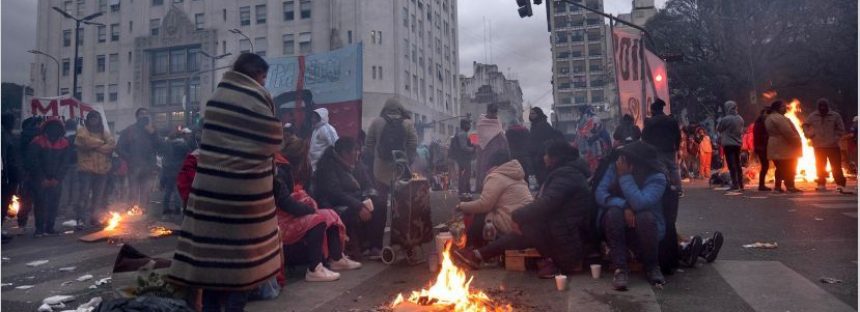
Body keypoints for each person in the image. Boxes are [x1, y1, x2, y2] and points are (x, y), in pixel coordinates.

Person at [168, 53, 283, 312]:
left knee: (212, 263)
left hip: (210, 192)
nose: (264, 84)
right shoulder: (255, 99)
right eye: (263, 77)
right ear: (253, 75)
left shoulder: (216, 99)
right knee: (239, 270)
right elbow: (273, 139)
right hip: (242, 196)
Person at [456, 140, 593, 278]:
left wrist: (518, 215)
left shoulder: (567, 176)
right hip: (562, 229)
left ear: (555, 158)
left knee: (525, 226)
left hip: (570, 237)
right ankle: (478, 255)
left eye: (546, 154)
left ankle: (555, 262)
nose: (544, 158)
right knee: (523, 230)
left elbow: (547, 203)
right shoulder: (564, 173)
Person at [276, 151, 361, 283]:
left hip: (292, 213)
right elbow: (286, 202)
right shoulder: (279, 169)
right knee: (318, 220)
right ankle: (314, 269)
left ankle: (336, 258)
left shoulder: (284, 168)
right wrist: (308, 209)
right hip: (282, 219)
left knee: (329, 214)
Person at [595, 141, 667, 290]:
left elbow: (640, 203)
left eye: (626, 159)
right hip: (617, 226)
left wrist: (625, 177)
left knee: (644, 216)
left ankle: (652, 266)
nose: (621, 161)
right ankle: (620, 268)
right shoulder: (615, 168)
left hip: (647, 229)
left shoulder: (657, 177)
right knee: (613, 212)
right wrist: (623, 205)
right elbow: (600, 193)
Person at [364, 98, 418, 259]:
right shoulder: (408, 123)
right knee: (401, 209)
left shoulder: (376, 122)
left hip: (380, 171)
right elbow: (413, 145)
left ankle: (375, 247)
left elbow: (368, 145)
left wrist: (377, 159)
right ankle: (402, 245)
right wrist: (406, 162)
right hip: (400, 172)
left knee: (379, 207)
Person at [455, 150, 532, 249]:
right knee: (488, 212)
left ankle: (470, 248)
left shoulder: (496, 176)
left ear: (492, 165)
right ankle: (474, 248)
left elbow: (484, 204)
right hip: (527, 223)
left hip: (511, 223)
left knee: (481, 215)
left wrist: (462, 206)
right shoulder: (517, 175)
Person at [313, 137, 375, 258]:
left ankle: (374, 247)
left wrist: (368, 197)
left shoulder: (357, 164)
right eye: (355, 150)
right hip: (333, 204)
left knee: (379, 203)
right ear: (344, 153)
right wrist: (359, 205)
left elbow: (368, 184)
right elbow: (335, 194)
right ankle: (349, 250)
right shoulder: (328, 166)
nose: (358, 153)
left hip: (354, 198)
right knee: (352, 212)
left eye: (358, 150)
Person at [24, 118, 72, 237]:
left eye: (56, 127)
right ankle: (39, 228)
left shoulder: (64, 143)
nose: (54, 130)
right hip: (40, 179)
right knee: (40, 203)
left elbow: (65, 163)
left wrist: (57, 179)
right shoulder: (37, 141)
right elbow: (33, 162)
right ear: (46, 128)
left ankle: (50, 227)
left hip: (56, 180)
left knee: (53, 203)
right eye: (51, 127)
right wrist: (42, 178)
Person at [74, 111, 115, 227]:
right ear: (88, 120)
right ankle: (80, 219)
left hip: (102, 170)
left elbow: (112, 145)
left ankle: (94, 219)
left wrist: (95, 147)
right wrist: (102, 144)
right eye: (91, 118)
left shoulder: (105, 132)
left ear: (99, 119)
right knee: (84, 195)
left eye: (95, 118)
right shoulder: (82, 130)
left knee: (98, 197)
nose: (93, 120)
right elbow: (84, 141)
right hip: (86, 170)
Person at [117, 107, 160, 210]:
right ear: (137, 117)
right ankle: (132, 212)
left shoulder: (152, 130)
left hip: (149, 167)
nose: (144, 115)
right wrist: (130, 158)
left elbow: (160, 146)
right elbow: (119, 148)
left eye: (146, 114)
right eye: (141, 114)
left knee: (146, 192)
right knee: (133, 191)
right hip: (134, 167)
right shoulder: (129, 130)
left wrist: (153, 134)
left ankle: (143, 212)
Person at [802, 98, 847, 192]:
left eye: (824, 106)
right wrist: (809, 135)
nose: (822, 108)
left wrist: (835, 138)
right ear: (818, 107)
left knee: (836, 166)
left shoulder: (835, 116)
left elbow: (841, 129)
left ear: (827, 106)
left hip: (833, 146)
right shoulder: (813, 116)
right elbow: (805, 125)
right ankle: (821, 184)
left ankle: (840, 184)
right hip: (818, 146)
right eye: (820, 106)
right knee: (820, 166)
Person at [642, 99, 682, 194]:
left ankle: (666, 189)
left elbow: (644, 137)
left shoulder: (650, 122)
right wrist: (676, 147)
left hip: (656, 150)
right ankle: (678, 188)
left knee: (661, 169)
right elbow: (678, 135)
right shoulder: (671, 120)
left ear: (653, 110)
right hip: (670, 149)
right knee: (673, 168)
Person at [765, 100, 803, 193]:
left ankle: (778, 187)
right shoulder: (779, 118)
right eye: (783, 107)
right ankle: (790, 186)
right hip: (784, 146)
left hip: (775, 145)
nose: (785, 109)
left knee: (780, 168)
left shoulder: (769, 117)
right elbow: (788, 132)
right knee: (790, 167)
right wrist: (797, 141)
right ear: (777, 108)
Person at [475, 104, 509, 192]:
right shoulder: (481, 122)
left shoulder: (497, 120)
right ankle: (483, 187)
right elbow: (479, 136)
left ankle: (496, 187)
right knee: (485, 168)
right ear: (488, 111)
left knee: (496, 168)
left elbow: (500, 132)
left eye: (495, 112)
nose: (494, 115)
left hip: (497, 148)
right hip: (484, 150)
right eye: (492, 112)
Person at [161, 128, 193, 216]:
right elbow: (188, 155)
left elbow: (164, 157)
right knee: (177, 190)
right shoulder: (184, 145)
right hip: (179, 169)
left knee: (168, 190)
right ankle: (177, 208)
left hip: (168, 169)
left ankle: (165, 208)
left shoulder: (168, 144)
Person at [527, 107, 564, 185]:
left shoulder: (542, 125)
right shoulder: (535, 125)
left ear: (538, 114)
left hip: (542, 156)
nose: (531, 115)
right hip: (537, 155)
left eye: (533, 113)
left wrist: (539, 151)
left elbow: (545, 140)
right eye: (530, 113)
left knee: (543, 178)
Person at [717, 101, 745, 191]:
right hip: (738, 144)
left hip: (728, 144)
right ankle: (741, 184)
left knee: (731, 165)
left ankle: (735, 184)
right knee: (738, 164)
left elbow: (719, 129)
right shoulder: (740, 118)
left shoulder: (726, 119)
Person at [2, 113, 21, 242]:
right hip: (6, 175)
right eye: (12, 121)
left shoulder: (9, 135)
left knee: (4, 204)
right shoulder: (3, 136)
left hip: (11, 175)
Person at [308, 108, 339, 172]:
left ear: (321, 117)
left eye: (314, 117)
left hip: (323, 167)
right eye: (312, 117)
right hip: (314, 166)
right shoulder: (316, 129)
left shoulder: (327, 129)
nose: (312, 119)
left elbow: (336, 146)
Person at [450, 119, 475, 194]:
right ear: (464, 125)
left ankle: (465, 190)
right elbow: (463, 147)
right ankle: (464, 191)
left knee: (463, 175)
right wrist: (473, 149)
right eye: (468, 125)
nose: (469, 126)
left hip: (460, 158)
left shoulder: (458, 133)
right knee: (466, 175)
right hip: (464, 159)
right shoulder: (463, 134)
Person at [753, 108, 772, 191]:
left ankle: (762, 184)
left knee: (765, 165)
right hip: (762, 147)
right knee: (765, 166)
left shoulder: (759, 122)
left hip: (760, 147)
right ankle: (761, 185)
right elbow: (762, 136)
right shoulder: (762, 123)